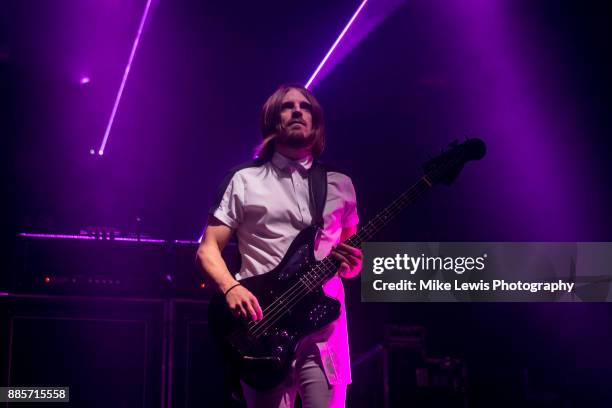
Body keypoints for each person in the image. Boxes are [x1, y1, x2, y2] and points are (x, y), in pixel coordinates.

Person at [197, 84, 362, 408]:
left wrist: (353, 263)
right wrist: (231, 288)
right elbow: (207, 249)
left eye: (307, 107)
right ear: (273, 120)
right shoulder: (244, 180)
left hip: (322, 328)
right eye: (289, 106)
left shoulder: (340, 184)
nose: (299, 111)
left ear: (317, 123)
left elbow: (351, 263)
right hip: (263, 325)